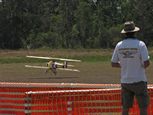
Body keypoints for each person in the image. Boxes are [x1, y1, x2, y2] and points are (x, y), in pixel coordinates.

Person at [111, 21, 150, 115]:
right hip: (139, 80)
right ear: (135, 32)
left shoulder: (119, 45)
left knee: (125, 107)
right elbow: (146, 63)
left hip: (125, 81)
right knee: (143, 107)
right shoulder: (141, 44)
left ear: (125, 33)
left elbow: (113, 63)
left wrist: (124, 64)